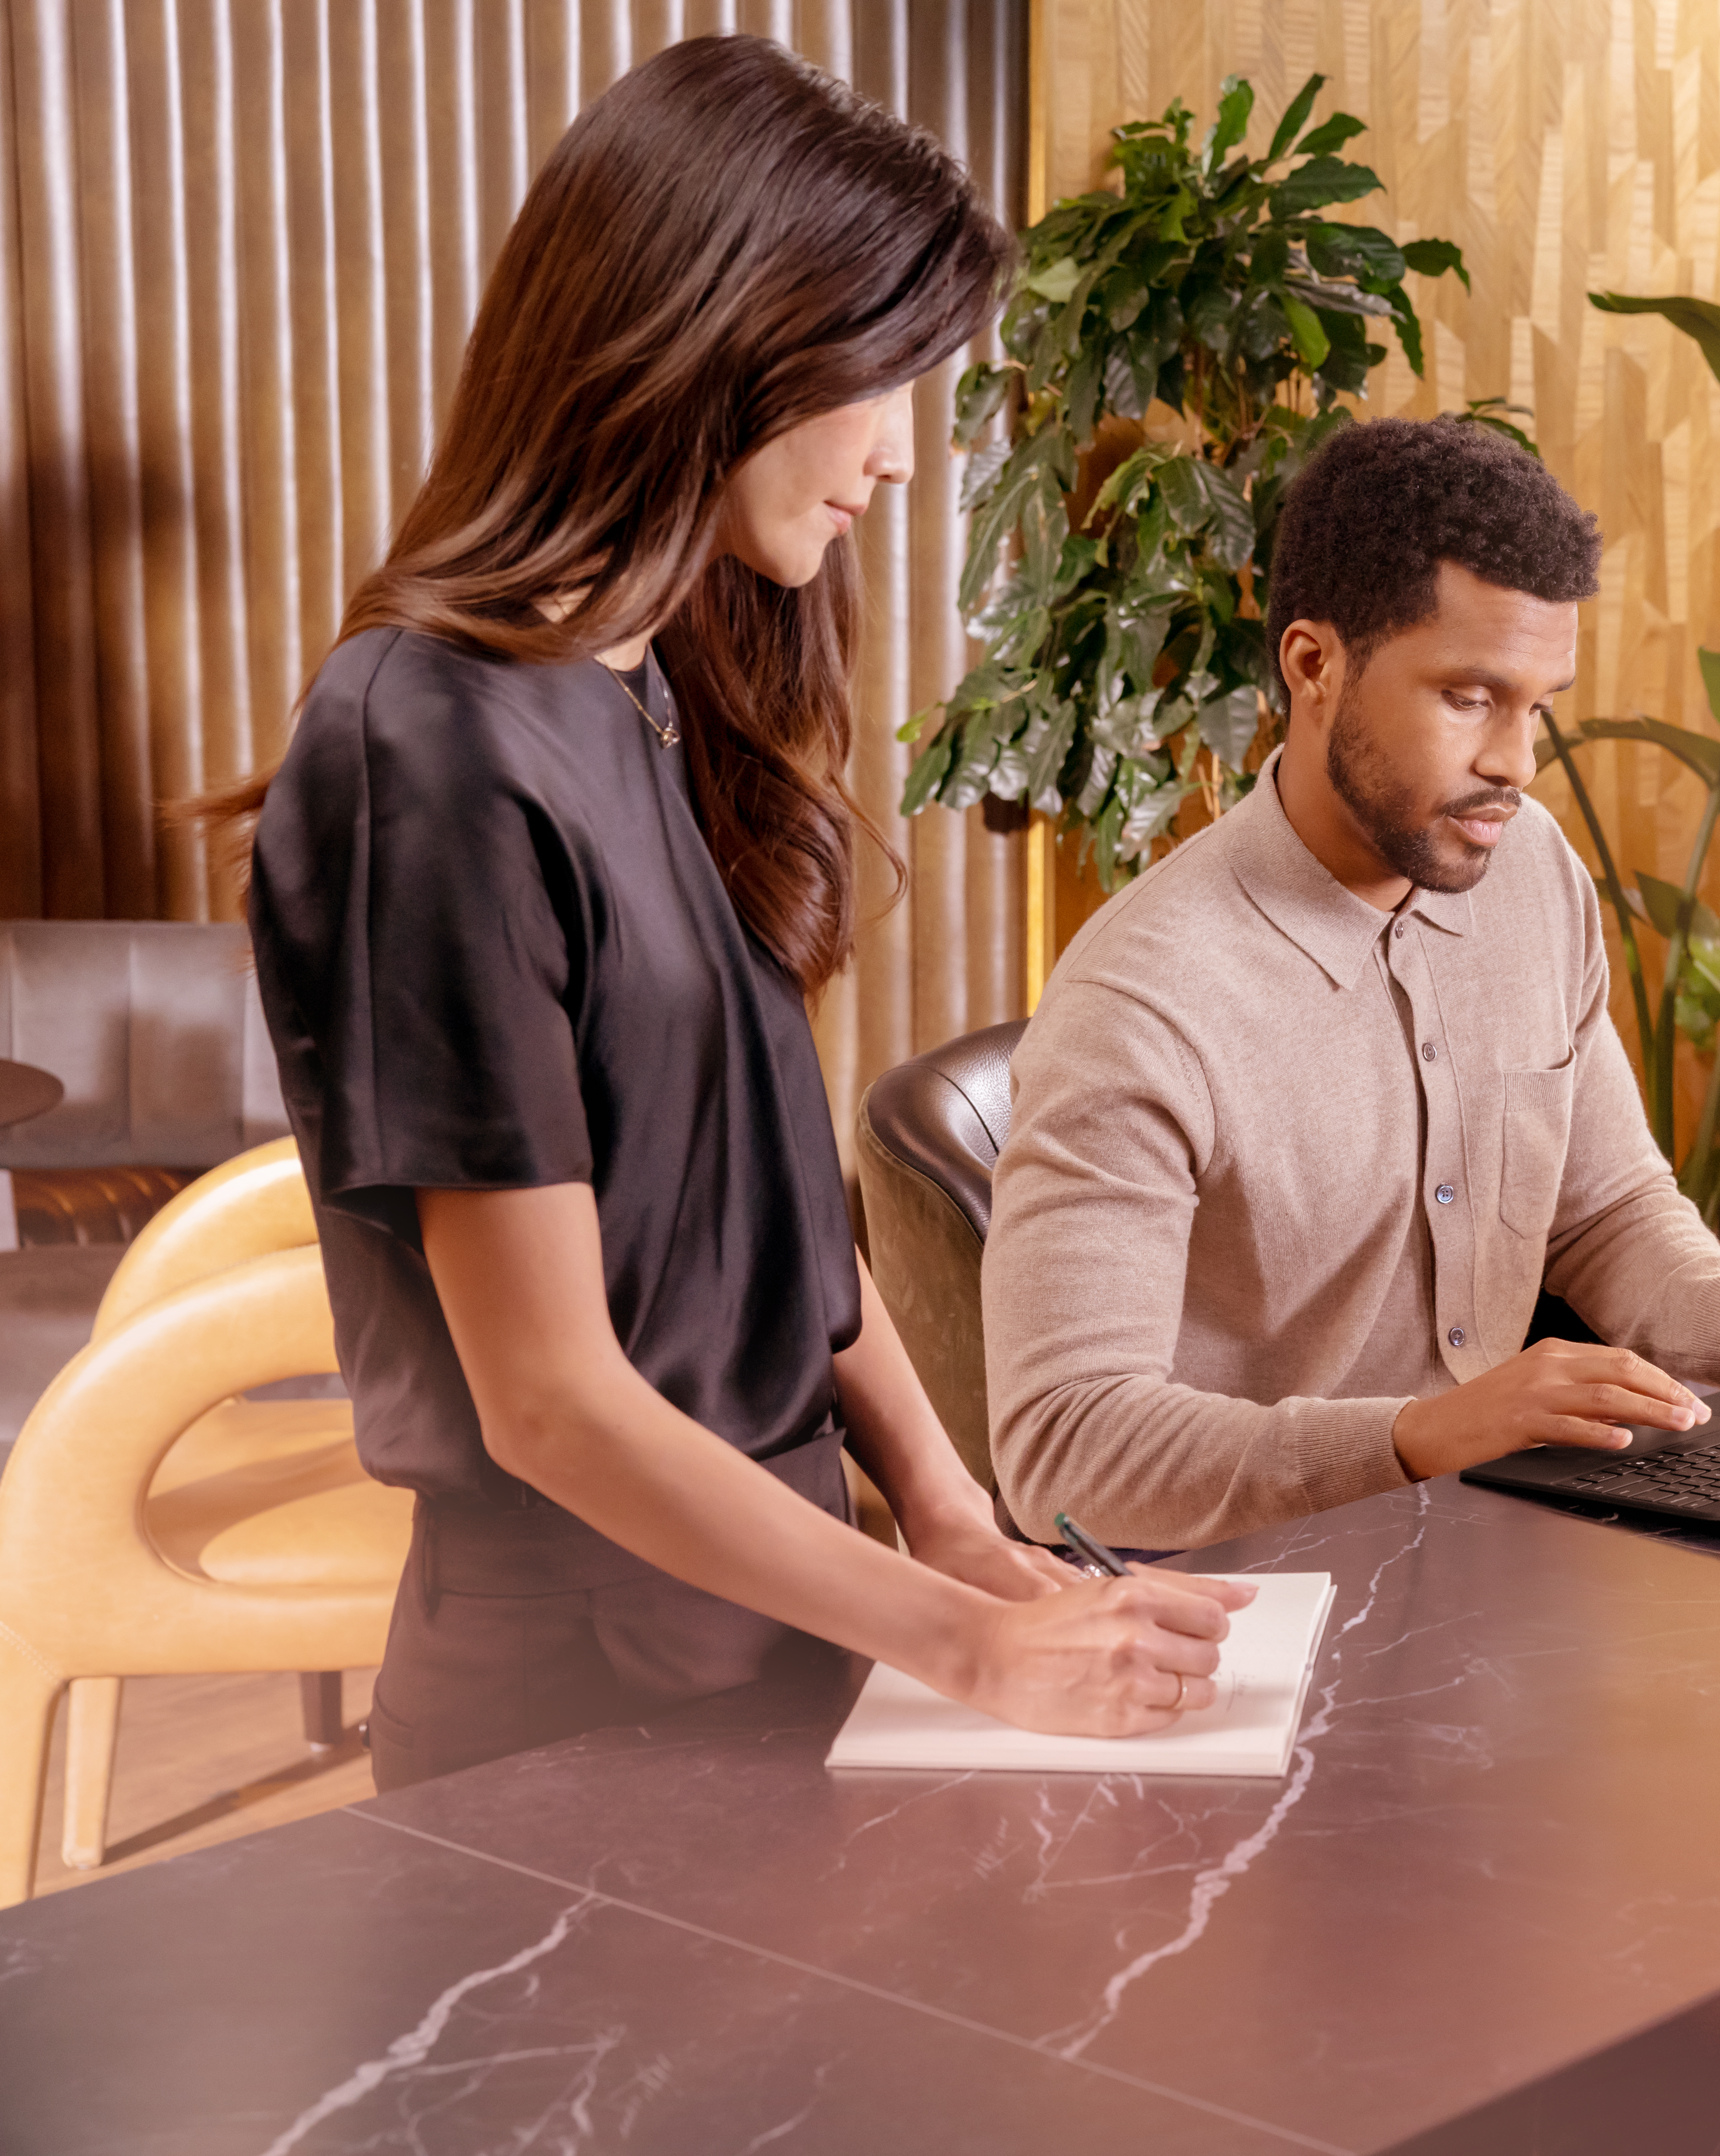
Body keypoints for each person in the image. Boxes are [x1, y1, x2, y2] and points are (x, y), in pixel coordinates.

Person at [213, 36, 1246, 1792]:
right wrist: (968, 1640)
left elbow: (779, 1213)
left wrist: (951, 1513)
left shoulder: (659, 690)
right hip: (581, 1714)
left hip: (785, 1633)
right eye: (883, 383)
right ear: (727, 341)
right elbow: (545, 1397)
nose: (904, 459)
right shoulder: (427, 749)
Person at [984, 417, 1720, 1550]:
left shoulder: (1531, 873)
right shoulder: (1144, 1003)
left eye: (1538, 706)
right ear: (1313, 666)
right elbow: (1063, 1447)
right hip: (1241, 1618)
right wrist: (1415, 1437)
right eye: (1469, 697)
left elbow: (1610, 1211)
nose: (1516, 764)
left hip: (1499, 1558)